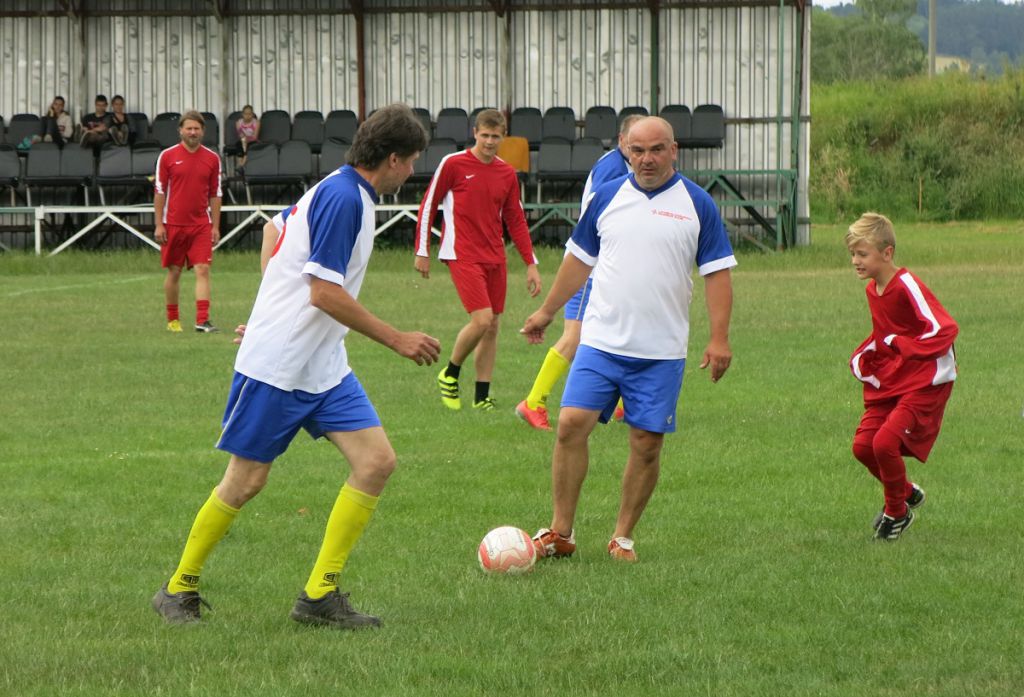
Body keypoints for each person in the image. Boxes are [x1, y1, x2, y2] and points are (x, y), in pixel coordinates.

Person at [152, 104, 439, 629]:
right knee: (245, 481)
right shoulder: (344, 198)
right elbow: (323, 293)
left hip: (324, 363)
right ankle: (178, 588)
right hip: (280, 367)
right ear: (394, 159)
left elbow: (272, 230)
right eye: (413, 160)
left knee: (376, 463)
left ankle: (319, 597)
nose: (413, 170)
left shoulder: (344, 189)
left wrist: (270, 308)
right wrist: (396, 338)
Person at [521, 116, 735, 563]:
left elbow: (716, 273)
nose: (646, 159)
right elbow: (578, 261)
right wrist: (547, 311)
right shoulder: (607, 196)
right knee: (569, 425)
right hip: (600, 342)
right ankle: (561, 531)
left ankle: (622, 537)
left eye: (656, 150)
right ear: (624, 148)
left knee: (646, 444)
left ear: (673, 150)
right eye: (637, 151)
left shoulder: (697, 203)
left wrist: (719, 339)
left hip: (660, 351)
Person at [515, 114, 644, 431]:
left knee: (626, 331)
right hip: (590, 267)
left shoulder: (627, 165)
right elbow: (601, 218)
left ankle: (623, 406)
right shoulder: (612, 169)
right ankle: (533, 402)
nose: (641, 150)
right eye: (635, 143)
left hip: (610, 268)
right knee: (575, 337)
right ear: (621, 140)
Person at [414, 108, 541, 412]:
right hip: (462, 253)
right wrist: (422, 250)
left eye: (495, 136)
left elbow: (516, 219)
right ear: (475, 133)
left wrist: (531, 263)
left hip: (495, 255)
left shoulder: (506, 173)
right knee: (481, 319)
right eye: (484, 135)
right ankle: (450, 373)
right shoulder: (453, 163)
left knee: (492, 325)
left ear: (503, 137)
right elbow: (429, 204)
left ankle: (481, 396)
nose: (489, 141)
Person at [846, 212, 958, 541]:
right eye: (852, 254)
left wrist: (903, 346)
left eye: (862, 254)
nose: (855, 261)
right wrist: (869, 352)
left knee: (884, 443)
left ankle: (896, 512)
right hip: (897, 376)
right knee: (863, 447)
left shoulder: (907, 284)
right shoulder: (873, 290)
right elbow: (887, 332)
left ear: (887, 253)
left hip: (927, 378)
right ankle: (906, 492)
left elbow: (944, 329)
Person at [153, 111, 223, 333]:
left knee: (202, 269)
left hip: (201, 225)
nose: (193, 132)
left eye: (196, 129)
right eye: (189, 128)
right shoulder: (167, 156)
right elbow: (160, 191)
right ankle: (173, 320)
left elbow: (216, 193)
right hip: (173, 224)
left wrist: (215, 226)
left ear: (203, 131)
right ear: (180, 131)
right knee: (174, 271)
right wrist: (159, 224)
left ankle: (202, 320)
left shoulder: (212, 158)